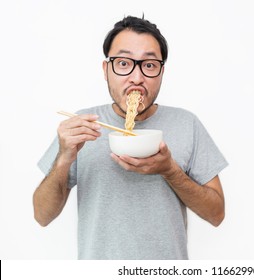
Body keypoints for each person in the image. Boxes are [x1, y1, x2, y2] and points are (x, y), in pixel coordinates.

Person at [33, 15, 228, 260]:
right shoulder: (83, 125)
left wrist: (170, 170)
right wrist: (63, 158)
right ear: (106, 70)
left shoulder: (187, 123)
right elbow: (41, 215)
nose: (137, 78)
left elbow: (217, 214)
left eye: (149, 65)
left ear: (161, 71)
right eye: (124, 63)